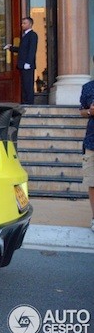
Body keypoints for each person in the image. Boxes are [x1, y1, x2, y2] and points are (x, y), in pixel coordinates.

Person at [4, 16, 38, 104]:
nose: (22, 25)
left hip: (27, 65)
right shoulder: (25, 35)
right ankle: (25, 102)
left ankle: (29, 103)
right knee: (24, 84)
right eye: (22, 23)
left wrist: (28, 63)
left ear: (30, 24)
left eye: (24, 23)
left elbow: (32, 50)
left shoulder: (33, 35)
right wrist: (10, 47)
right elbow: (22, 49)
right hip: (22, 64)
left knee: (28, 85)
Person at [78, 56, 94, 233]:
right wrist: (89, 111)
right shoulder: (88, 87)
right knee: (92, 182)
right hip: (92, 140)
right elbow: (81, 111)